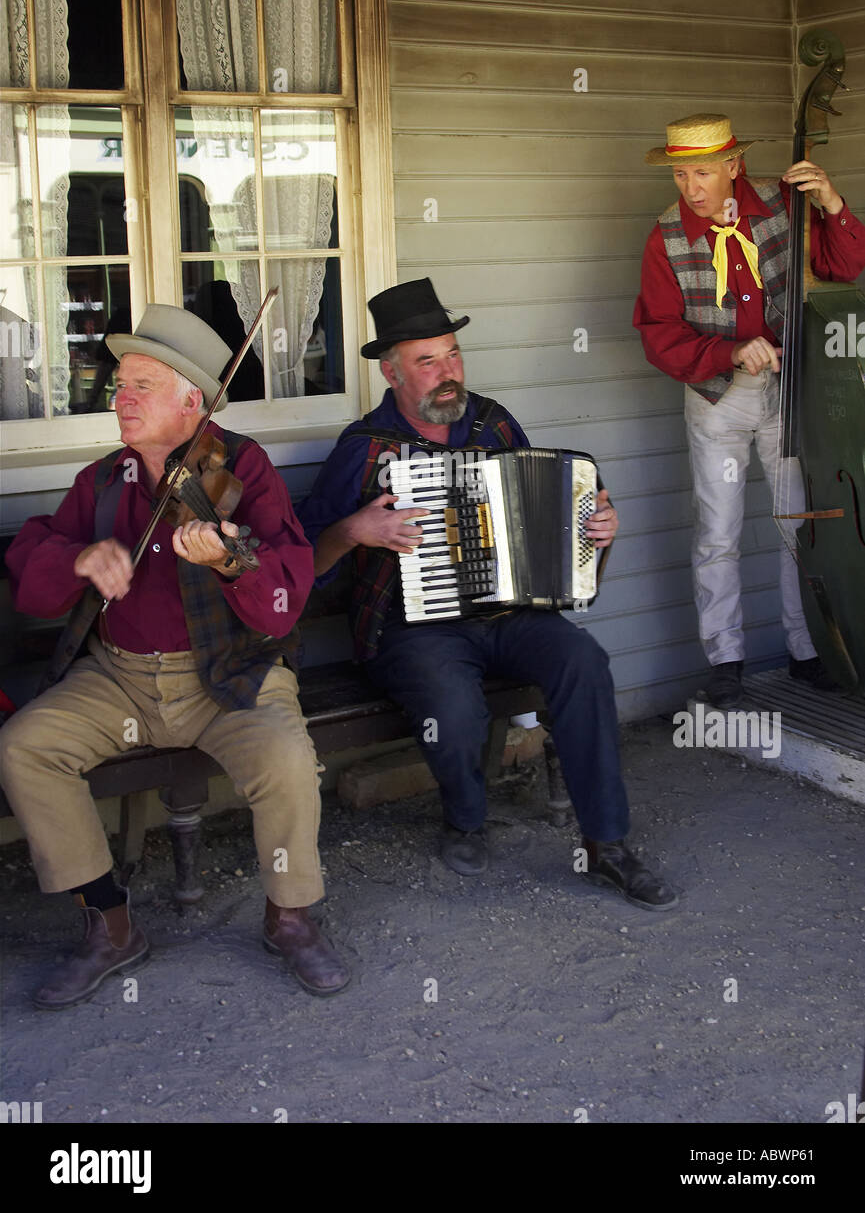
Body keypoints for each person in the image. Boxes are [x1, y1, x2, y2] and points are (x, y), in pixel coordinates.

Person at [0, 306, 350, 1007]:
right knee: (25, 746)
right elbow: (29, 568)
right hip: (120, 678)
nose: (121, 399)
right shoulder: (102, 482)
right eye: (120, 385)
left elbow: (287, 586)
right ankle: (111, 924)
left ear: (193, 400)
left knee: (285, 758)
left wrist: (231, 562)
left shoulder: (241, 469)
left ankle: (288, 917)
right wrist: (78, 559)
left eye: (141, 386)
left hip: (227, 672)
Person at [299, 278, 676, 910]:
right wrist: (356, 529)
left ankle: (608, 846)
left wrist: (594, 529)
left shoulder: (494, 424)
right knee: (452, 700)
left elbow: (547, 518)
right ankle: (465, 819)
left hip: (508, 612)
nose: (448, 373)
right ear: (392, 374)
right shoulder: (363, 452)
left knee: (584, 662)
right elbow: (307, 561)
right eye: (428, 361)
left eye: (453, 354)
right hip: (411, 627)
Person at [634, 114, 865, 707]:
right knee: (718, 532)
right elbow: (659, 334)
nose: (692, 187)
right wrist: (729, 351)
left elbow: (845, 267)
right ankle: (726, 661)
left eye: (703, 171)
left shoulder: (783, 202)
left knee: (799, 525)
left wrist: (833, 204)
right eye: (682, 173)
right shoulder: (665, 236)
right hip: (718, 397)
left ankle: (806, 649)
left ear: (734, 165)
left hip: (791, 391)